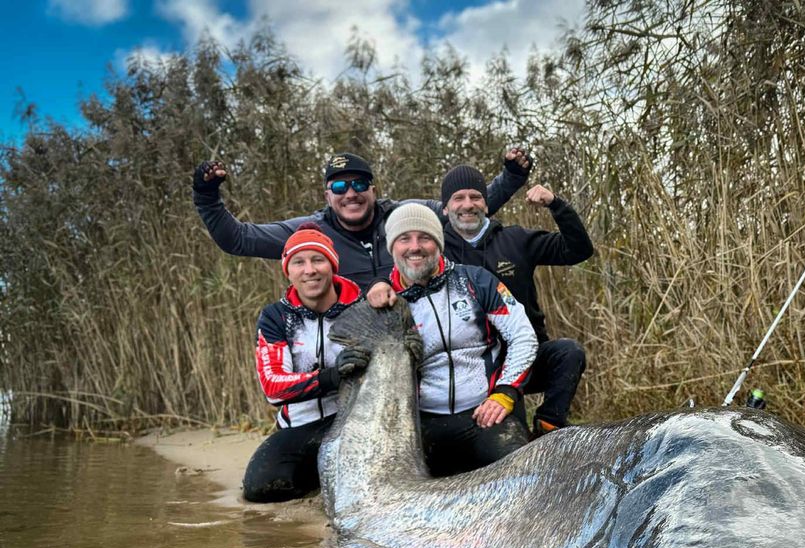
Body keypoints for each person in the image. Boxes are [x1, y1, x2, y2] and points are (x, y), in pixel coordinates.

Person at [368, 164, 592, 437]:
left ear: (486, 204)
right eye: (458, 198)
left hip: (522, 349)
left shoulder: (516, 239)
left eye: (475, 197)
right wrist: (378, 283)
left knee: (568, 353)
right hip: (474, 361)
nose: (467, 205)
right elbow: (401, 261)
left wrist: (556, 205)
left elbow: (578, 250)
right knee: (505, 429)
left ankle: (549, 426)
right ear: (445, 208)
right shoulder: (433, 249)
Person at [192, 149, 533, 290]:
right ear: (327, 194)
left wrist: (512, 176)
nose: (350, 193)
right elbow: (237, 239)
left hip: (416, 337)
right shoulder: (312, 231)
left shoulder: (404, 216)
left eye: (359, 184)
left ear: (373, 188)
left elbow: (463, 210)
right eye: (339, 186)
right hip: (351, 345)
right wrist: (206, 195)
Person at [382, 203, 538, 476]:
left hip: (483, 414)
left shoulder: (475, 280)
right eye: (404, 238)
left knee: (521, 473)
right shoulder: (383, 301)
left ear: (439, 243)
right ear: (392, 247)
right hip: (421, 423)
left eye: (425, 238)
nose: (415, 247)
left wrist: (506, 392)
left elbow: (523, 336)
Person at [243, 224, 370, 502]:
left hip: (355, 424)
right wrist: (332, 377)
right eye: (298, 262)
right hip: (300, 427)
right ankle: (317, 482)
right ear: (288, 271)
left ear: (332, 265)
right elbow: (272, 387)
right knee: (260, 487)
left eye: (318, 260)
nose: (309, 270)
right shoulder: (275, 317)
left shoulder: (362, 307)